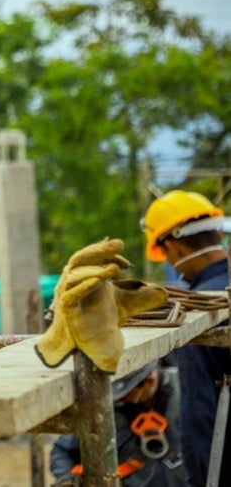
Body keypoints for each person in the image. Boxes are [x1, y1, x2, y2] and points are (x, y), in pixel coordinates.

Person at [142, 189, 228, 486]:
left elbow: (198, 413)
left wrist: (198, 480)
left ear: (173, 246)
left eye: (166, 254)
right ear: (218, 233)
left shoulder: (198, 311)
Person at [49, 361, 187, 485]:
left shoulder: (187, 394)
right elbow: (62, 450)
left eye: (125, 393)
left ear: (149, 381)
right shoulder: (105, 410)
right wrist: (66, 479)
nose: (116, 400)